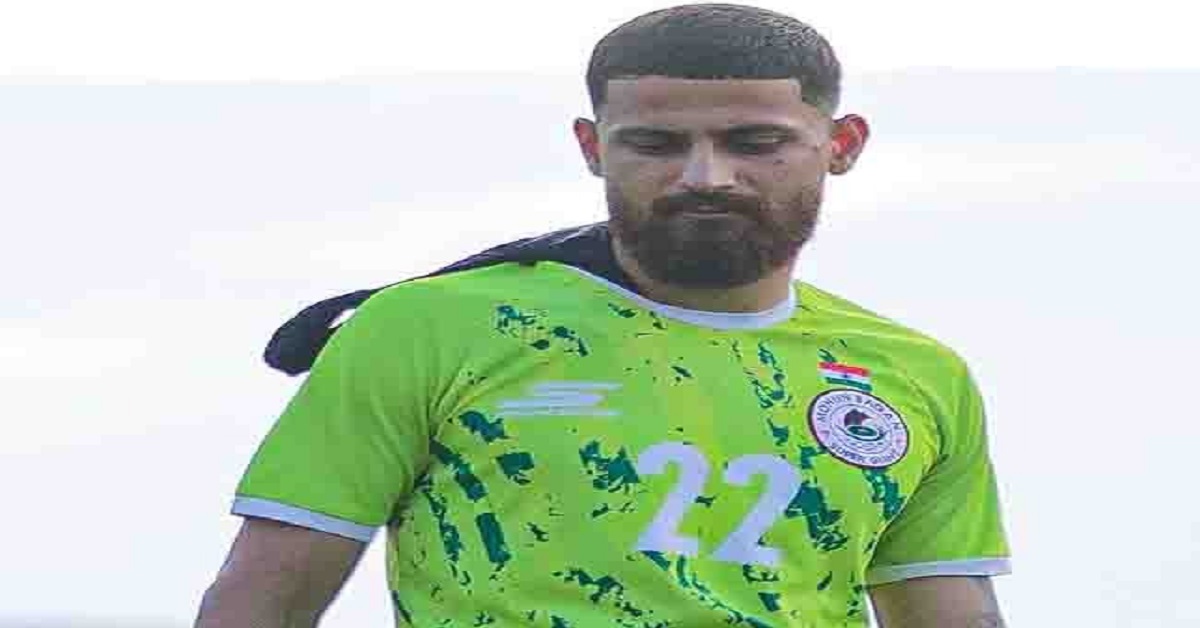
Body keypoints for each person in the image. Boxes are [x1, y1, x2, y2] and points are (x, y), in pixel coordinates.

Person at [195, 4, 1011, 627]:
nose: (706, 176)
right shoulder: (427, 328)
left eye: (755, 142)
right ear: (593, 147)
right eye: (655, 145)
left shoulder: (912, 373)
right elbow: (262, 605)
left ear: (842, 144)